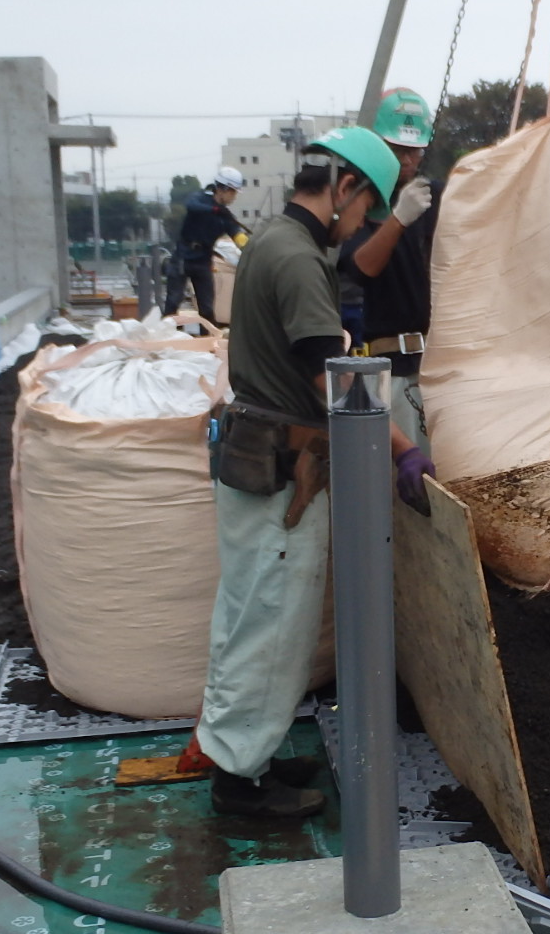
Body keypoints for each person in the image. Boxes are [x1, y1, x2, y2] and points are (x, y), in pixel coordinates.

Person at [180, 128, 437, 817]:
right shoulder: (296, 260)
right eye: (364, 212)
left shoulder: (273, 239)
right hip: (280, 473)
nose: (361, 227)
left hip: (254, 455)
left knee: (246, 614)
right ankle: (240, 782)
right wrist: (401, 450)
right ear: (345, 186)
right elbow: (336, 382)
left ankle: (245, 751)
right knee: (271, 618)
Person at [337, 87, 439, 448]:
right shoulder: (362, 198)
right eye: (398, 149)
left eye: (414, 150)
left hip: (438, 365)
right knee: (401, 476)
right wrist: (398, 219)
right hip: (391, 368)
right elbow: (361, 267)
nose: (408, 159)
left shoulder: (434, 195)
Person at [171, 167, 249, 323]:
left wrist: (250, 249)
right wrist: (215, 209)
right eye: (233, 192)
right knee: (173, 302)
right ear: (222, 189)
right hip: (183, 256)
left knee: (206, 308)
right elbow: (191, 206)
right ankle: (167, 337)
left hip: (203, 260)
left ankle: (206, 340)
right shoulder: (200, 198)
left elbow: (237, 235)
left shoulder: (225, 215)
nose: (234, 197)